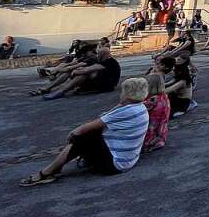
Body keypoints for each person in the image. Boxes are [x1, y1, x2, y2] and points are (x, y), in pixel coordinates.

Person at [19, 78, 150, 186]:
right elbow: (106, 117)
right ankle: (57, 167)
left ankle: (48, 172)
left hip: (116, 164)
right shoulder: (140, 107)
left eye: (122, 92)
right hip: (127, 159)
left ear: (127, 94)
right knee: (89, 135)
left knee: (83, 137)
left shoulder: (126, 111)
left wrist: (72, 135)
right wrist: (120, 104)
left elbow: (84, 128)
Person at [42, 47, 121, 100]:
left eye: (99, 54)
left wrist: (75, 71)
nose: (97, 55)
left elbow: (86, 70)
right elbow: (79, 67)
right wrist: (74, 69)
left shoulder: (109, 62)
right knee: (73, 71)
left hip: (107, 85)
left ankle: (61, 91)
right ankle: (51, 89)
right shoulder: (97, 59)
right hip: (98, 80)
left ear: (104, 55)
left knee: (83, 74)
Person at [142, 73, 170, 152]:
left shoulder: (152, 100)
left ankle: (148, 144)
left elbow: (138, 108)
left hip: (152, 127)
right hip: (162, 126)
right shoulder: (164, 96)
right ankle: (158, 141)